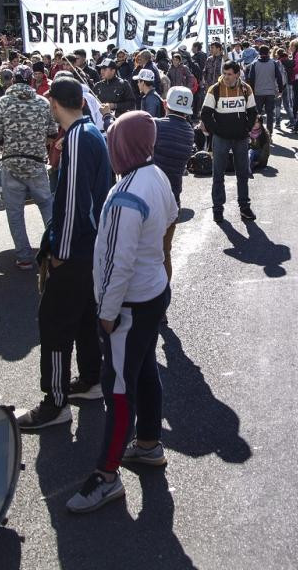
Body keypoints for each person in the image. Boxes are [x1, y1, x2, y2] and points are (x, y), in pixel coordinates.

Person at [65, 112, 178, 513]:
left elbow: (116, 262)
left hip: (128, 304)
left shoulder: (127, 194)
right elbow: (172, 217)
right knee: (144, 369)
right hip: (152, 294)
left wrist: (107, 313)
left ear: (123, 146)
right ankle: (147, 443)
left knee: (117, 389)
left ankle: (107, 475)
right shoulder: (156, 174)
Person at [18, 77, 113, 430]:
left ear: (54, 103)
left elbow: (74, 202)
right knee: (86, 316)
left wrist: (60, 252)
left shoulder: (75, 138)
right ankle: (91, 379)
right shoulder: (90, 132)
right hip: (91, 246)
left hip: (76, 249)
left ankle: (55, 402)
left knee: (54, 323)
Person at [0, 65, 57, 271]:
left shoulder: (2, 102)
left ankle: (24, 256)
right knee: (46, 205)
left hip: (10, 162)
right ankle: (55, 249)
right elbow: (53, 132)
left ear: (12, 80)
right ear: (30, 81)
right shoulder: (42, 103)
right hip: (36, 162)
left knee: (15, 211)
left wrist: (9, 144)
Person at [201, 60, 258, 222]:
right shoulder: (215, 89)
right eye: (224, 74)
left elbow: (253, 112)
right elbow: (205, 114)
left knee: (243, 174)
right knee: (218, 174)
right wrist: (217, 131)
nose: (226, 77)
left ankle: (244, 207)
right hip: (221, 139)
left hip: (241, 139)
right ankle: (218, 209)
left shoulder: (246, 89)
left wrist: (246, 129)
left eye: (229, 74)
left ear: (237, 74)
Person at [153, 87, 196, 281]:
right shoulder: (189, 132)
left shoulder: (155, 125)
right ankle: (163, 296)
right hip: (173, 199)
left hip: (152, 199)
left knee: (142, 254)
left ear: (165, 105)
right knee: (165, 252)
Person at [245, 44, 286, 132]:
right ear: (268, 52)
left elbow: (251, 79)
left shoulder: (255, 64)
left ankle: (257, 133)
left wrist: (251, 91)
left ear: (259, 53)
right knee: (270, 114)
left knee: (257, 115)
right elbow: (279, 77)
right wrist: (280, 90)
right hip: (270, 92)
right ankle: (269, 133)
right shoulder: (273, 63)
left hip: (257, 92)